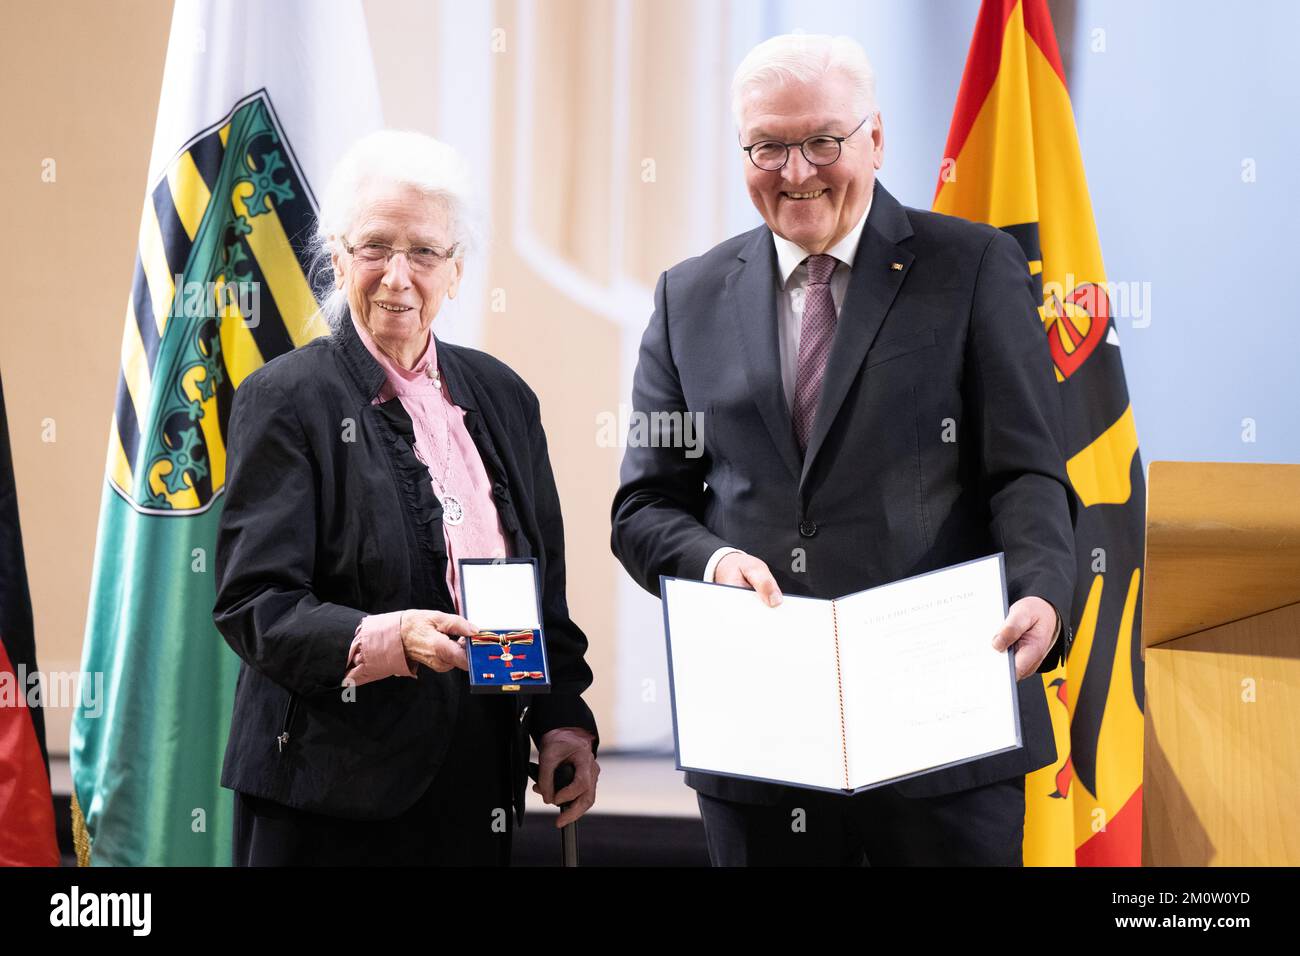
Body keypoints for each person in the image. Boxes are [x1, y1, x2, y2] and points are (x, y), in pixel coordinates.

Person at [611, 34, 1076, 866]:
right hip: (762, 746)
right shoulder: (687, 297)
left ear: (876, 137)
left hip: (944, 742)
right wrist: (713, 564)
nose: (796, 172)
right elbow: (645, 506)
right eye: (768, 146)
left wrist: (1043, 590)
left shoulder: (972, 267)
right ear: (743, 149)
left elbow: (1026, 470)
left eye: (824, 140)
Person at [214, 129, 599, 866]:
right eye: (374, 248)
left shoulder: (503, 395)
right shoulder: (286, 399)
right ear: (336, 259)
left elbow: (540, 594)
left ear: (455, 272)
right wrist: (395, 640)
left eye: (424, 252)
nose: (398, 276)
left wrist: (560, 721)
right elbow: (254, 604)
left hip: (472, 786)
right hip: (326, 797)